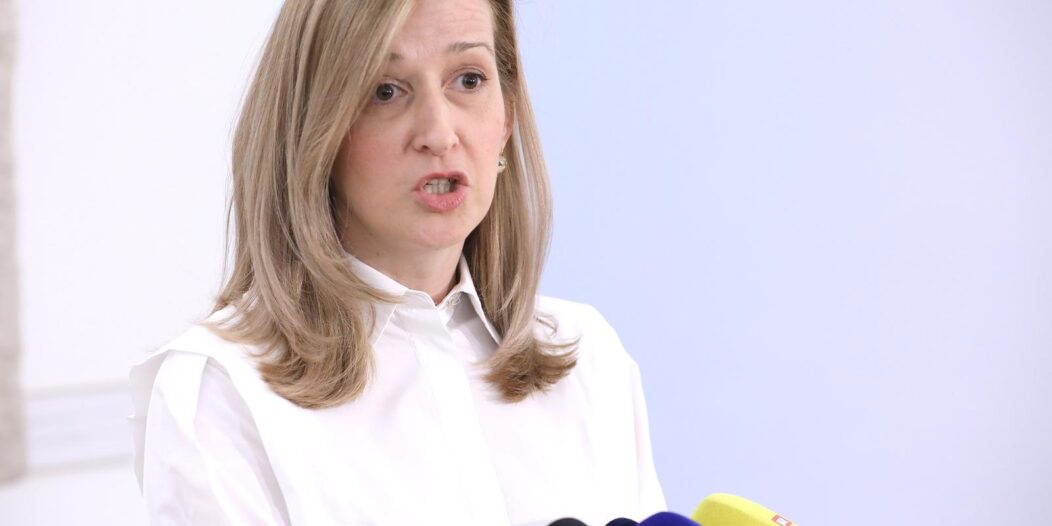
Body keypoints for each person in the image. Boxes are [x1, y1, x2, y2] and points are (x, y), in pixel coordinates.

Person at [128, 0, 666, 524]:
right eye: (385, 91)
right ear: (315, 130)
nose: (439, 134)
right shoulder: (221, 390)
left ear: (506, 118)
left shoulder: (588, 359)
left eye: (469, 80)